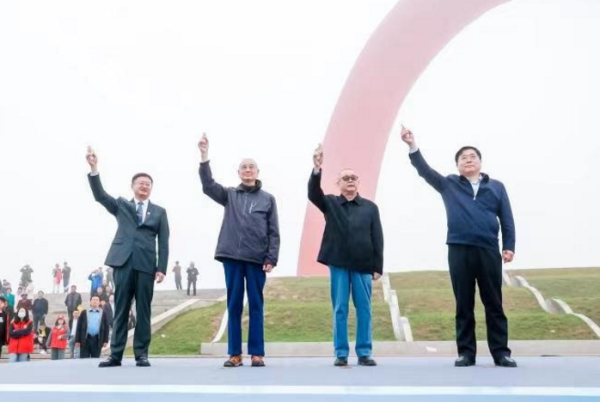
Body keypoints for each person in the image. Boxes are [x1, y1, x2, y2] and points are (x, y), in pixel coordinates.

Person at [401, 127, 517, 368]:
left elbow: (507, 218)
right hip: (459, 249)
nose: (468, 159)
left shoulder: (497, 187)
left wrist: (509, 245)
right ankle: (466, 353)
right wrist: (412, 145)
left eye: (472, 156)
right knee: (463, 303)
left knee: (494, 303)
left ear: (480, 162)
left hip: (488, 249)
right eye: (463, 157)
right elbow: (425, 171)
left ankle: (501, 353)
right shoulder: (449, 184)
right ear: (458, 165)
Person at [198, 133, 280, 368]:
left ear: (257, 172)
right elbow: (208, 186)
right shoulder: (230, 195)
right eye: (244, 167)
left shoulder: (268, 199)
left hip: (257, 259)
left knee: (256, 305)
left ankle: (257, 353)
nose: (248, 170)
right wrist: (204, 156)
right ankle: (234, 354)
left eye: (251, 167)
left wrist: (271, 257)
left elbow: (273, 231)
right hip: (232, 257)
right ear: (239, 173)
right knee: (234, 304)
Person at [86, 146, 169, 368]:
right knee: (121, 308)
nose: (144, 186)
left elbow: (164, 242)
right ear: (133, 186)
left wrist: (161, 268)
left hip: (146, 265)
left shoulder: (159, 212)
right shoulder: (122, 205)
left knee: (143, 310)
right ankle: (115, 355)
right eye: (141, 183)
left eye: (148, 184)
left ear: (151, 188)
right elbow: (100, 195)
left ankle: (142, 354)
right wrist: (94, 168)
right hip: (123, 263)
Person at [308, 144, 383, 367]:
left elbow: (377, 237)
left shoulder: (370, 207)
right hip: (338, 263)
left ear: (358, 183)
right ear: (338, 184)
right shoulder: (330, 202)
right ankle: (341, 353)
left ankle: (364, 352)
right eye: (345, 178)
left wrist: (377, 266)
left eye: (353, 178)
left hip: (363, 264)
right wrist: (317, 169)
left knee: (364, 309)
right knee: (340, 308)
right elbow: (313, 193)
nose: (350, 180)